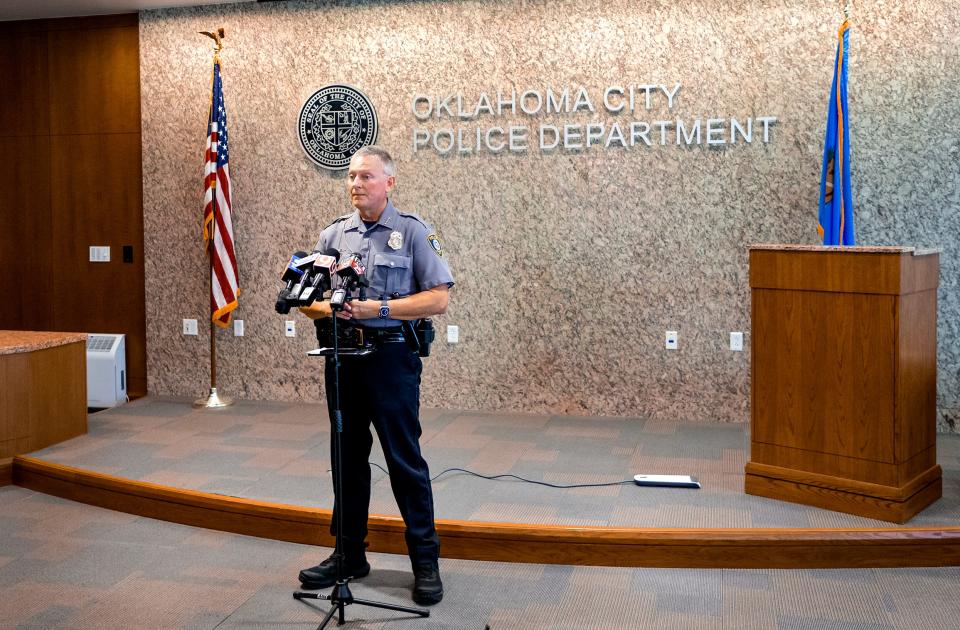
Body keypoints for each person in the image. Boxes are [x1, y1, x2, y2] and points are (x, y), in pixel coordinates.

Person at [297, 145, 453, 605]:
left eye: (366, 177)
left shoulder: (414, 233)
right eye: (350, 177)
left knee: (404, 461)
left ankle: (425, 560)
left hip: (390, 360)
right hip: (343, 359)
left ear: (389, 183)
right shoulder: (332, 237)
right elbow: (305, 299)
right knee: (346, 459)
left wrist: (379, 308)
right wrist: (332, 307)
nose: (356, 185)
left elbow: (438, 298)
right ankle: (349, 553)